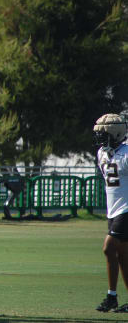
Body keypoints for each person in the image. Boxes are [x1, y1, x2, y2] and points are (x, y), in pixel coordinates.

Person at [94, 113, 128, 313]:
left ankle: (110, 296)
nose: (99, 137)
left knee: (108, 247)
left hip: (126, 209)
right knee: (122, 255)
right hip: (113, 210)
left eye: (103, 133)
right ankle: (113, 297)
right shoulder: (102, 153)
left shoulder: (126, 153)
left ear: (115, 134)